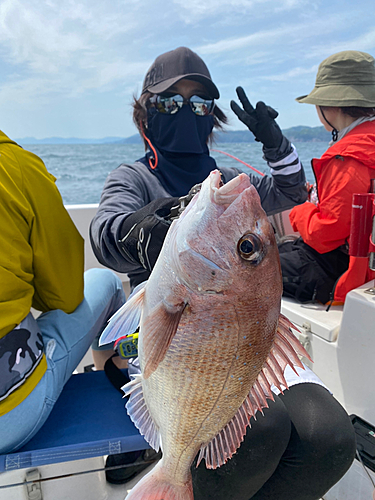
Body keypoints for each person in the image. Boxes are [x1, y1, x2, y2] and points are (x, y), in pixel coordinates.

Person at [90, 47, 356, 497]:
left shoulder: (225, 183)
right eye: (172, 102)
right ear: (146, 116)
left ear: (211, 118)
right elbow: (105, 234)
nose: (187, 112)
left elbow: (292, 189)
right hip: (169, 339)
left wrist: (273, 139)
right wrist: (149, 232)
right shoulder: (134, 178)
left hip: (243, 334)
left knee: (330, 438)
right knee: (259, 428)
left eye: (199, 105)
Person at [0, 131, 125, 454]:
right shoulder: (15, 166)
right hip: (9, 417)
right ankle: (123, 389)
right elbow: (65, 295)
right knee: (107, 282)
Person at [233, 50, 375, 305]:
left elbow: (325, 235)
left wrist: (301, 212)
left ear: (329, 106)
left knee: (244, 266)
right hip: (365, 267)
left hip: (341, 272)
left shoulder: (347, 155)